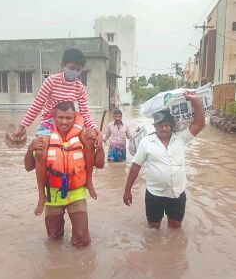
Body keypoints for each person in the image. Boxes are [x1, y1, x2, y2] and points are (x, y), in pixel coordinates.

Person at [13, 48, 102, 215]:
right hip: (49, 120)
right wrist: (22, 126)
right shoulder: (51, 81)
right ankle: (42, 196)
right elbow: (37, 104)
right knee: (40, 151)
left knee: (89, 143)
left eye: (78, 69)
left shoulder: (80, 88)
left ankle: (89, 182)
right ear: (63, 65)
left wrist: (97, 131)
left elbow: (84, 113)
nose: (75, 71)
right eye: (72, 67)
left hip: (73, 120)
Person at [24, 101, 105, 247]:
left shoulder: (83, 137)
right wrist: (30, 149)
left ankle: (89, 184)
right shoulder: (45, 137)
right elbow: (28, 167)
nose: (64, 121)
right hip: (52, 195)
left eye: (68, 118)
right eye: (60, 117)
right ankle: (41, 198)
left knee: (82, 241)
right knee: (54, 239)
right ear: (54, 117)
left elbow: (100, 164)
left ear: (75, 118)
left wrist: (100, 146)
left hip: (76, 194)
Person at [123, 92, 205, 229]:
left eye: (167, 125)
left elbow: (200, 123)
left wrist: (195, 101)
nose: (164, 128)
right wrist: (127, 191)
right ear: (154, 126)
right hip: (154, 195)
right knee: (153, 230)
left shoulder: (181, 137)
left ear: (172, 125)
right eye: (160, 125)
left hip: (177, 194)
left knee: (175, 228)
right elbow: (135, 167)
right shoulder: (146, 142)